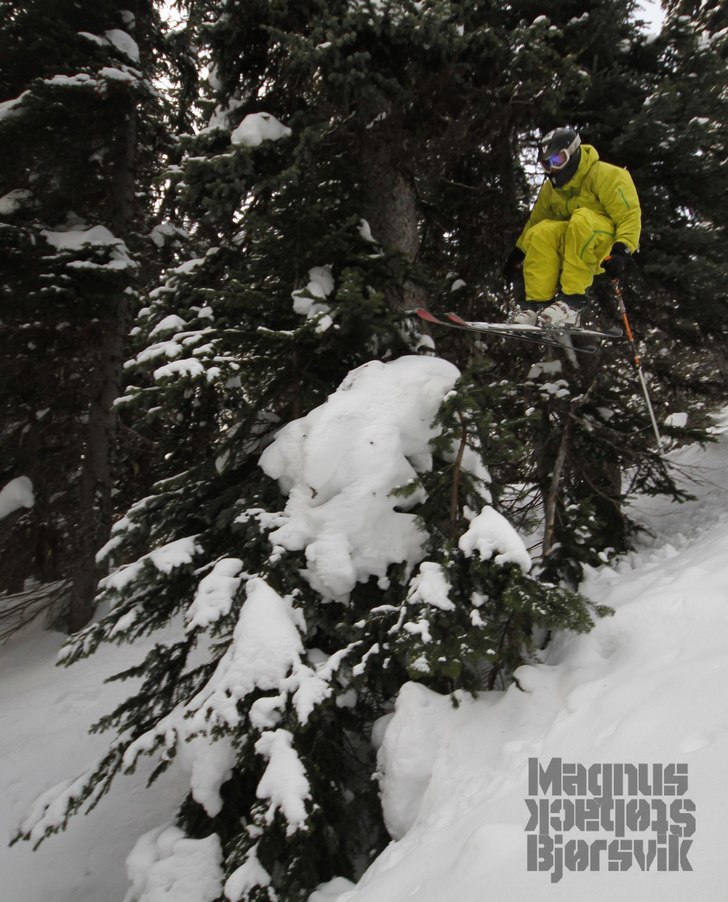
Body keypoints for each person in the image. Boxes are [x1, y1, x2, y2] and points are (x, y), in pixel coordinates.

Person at [503, 127, 641, 327]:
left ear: (574, 152)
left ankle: (572, 303)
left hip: (603, 244)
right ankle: (536, 305)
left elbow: (629, 215)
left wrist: (622, 250)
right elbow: (536, 221)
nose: (554, 169)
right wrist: (519, 252)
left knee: (580, 219)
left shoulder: (607, 175)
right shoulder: (551, 189)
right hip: (574, 241)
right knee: (541, 231)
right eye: (547, 165)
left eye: (558, 160)